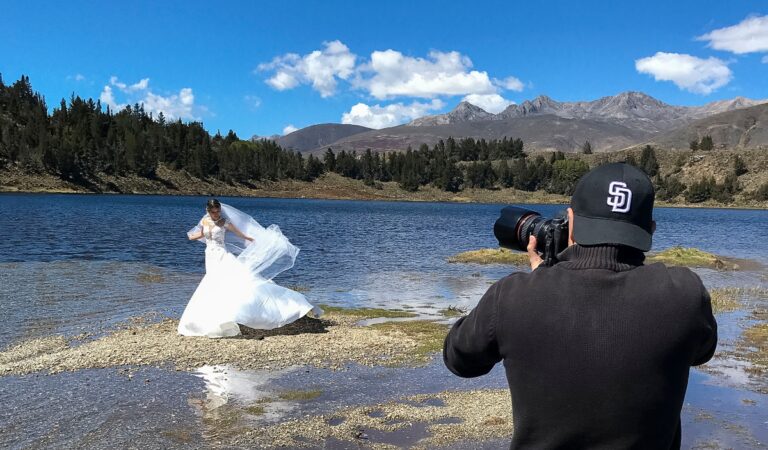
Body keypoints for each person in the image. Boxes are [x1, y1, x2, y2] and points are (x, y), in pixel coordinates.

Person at [443, 163, 717, 449]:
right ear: (650, 229)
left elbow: (459, 359)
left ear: (571, 221)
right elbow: (701, 352)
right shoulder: (685, 293)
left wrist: (541, 283)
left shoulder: (513, 295)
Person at [178, 199, 322, 337]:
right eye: (213, 212)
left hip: (222, 255)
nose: (216, 214)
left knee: (232, 281)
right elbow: (202, 234)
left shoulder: (224, 222)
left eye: (218, 211)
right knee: (212, 283)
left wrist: (251, 240)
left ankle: (232, 314)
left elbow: (240, 234)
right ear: (207, 210)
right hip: (209, 255)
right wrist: (191, 237)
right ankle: (216, 313)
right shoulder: (205, 221)